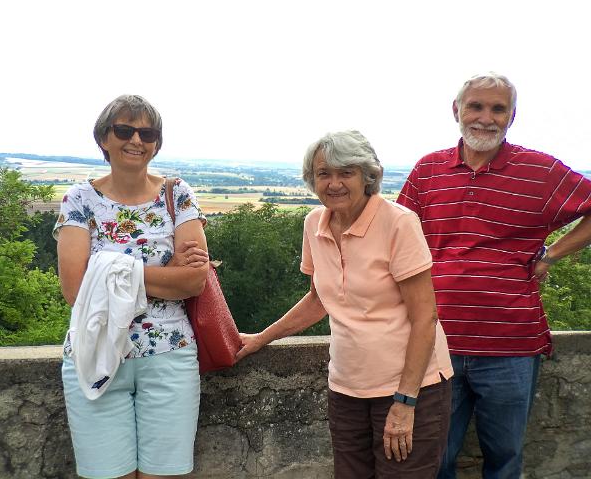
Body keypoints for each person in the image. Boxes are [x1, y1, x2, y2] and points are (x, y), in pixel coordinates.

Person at [396, 73, 591, 479]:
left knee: (504, 460)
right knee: (434, 460)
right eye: (476, 106)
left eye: (498, 109)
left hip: (511, 346)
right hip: (435, 343)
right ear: (457, 110)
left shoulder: (541, 171)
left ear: (511, 117)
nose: (486, 117)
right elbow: (396, 239)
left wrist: (552, 255)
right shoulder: (428, 170)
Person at [237, 130, 454, 478]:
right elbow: (318, 299)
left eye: (346, 172)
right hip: (346, 388)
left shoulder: (398, 223)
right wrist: (261, 338)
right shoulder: (314, 223)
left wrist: (405, 401)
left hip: (411, 388)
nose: (334, 183)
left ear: (367, 176)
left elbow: (425, 317)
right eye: (324, 173)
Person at [53, 94, 209, 479]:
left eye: (147, 133)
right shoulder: (79, 199)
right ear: (103, 138)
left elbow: (194, 280)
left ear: (157, 143)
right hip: (95, 353)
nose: (136, 140)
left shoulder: (177, 193)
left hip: (168, 354)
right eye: (124, 130)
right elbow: (76, 290)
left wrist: (107, 273)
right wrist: (166, 274)